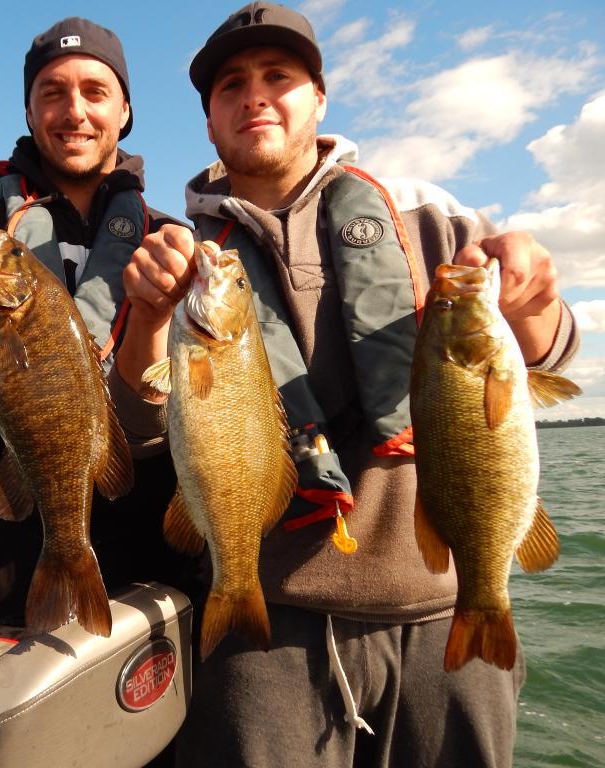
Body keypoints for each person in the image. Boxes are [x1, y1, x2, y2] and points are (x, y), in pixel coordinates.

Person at [119, 3, 581, 767]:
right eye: (231, 85)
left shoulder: (427, 216)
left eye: (278, 76)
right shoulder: (178, 254)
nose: (255, 96)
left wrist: (533, 303)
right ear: (208, 120)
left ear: (320, 98)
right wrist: (146, 319)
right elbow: (137, 430)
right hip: (270, 626)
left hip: (442, 607)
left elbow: (546, 355)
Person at [0, 17, 195, 645]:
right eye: (52, 93)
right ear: (30, 112)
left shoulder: (171, 242)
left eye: (95, 91)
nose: (74, 111)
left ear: (125, 111)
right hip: (12, 546)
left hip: (153, 538)